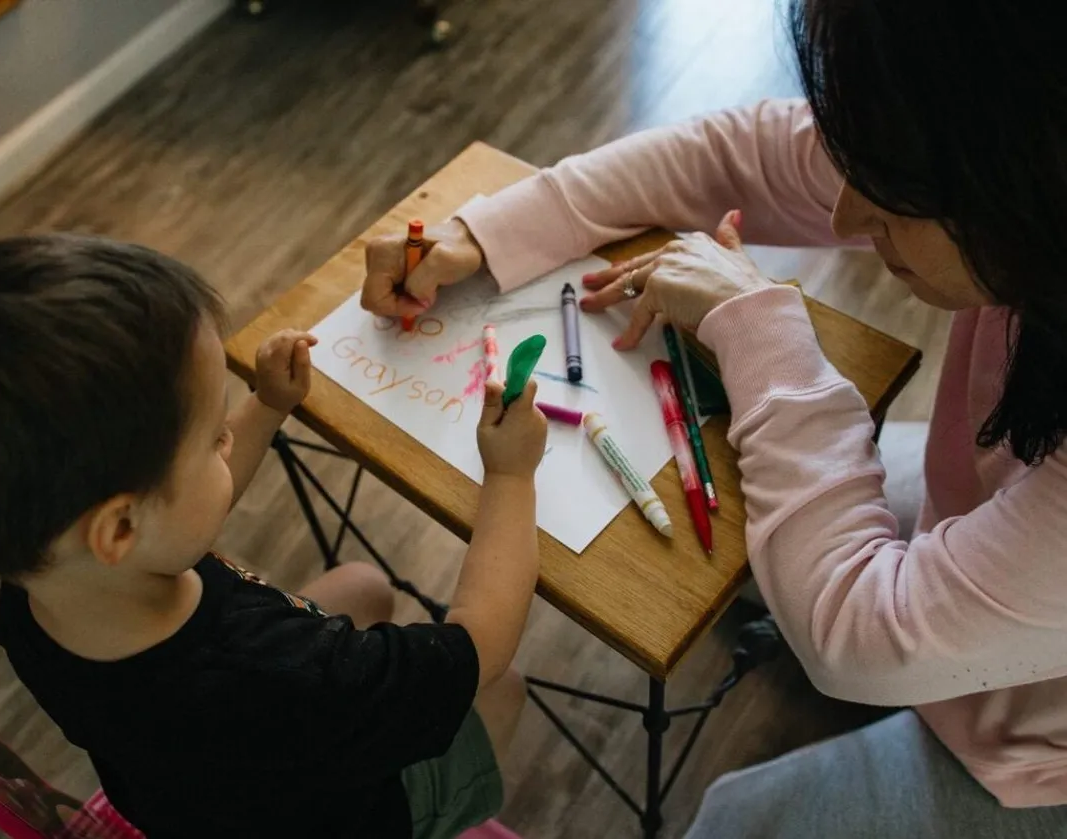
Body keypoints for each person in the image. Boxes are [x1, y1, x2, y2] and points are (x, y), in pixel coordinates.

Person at [358, 0, 1067, 836]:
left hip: (1038, 751)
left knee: (735, 816)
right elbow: (738, 155)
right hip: (996, 513)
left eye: (889, 198)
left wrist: (761, 330)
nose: (844, 218)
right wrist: (481, 234)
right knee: (749, 545)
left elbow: (858, 636)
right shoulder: (1004, 156)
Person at [0, 234, 548, 839]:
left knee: (363, 585)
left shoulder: (36, 589)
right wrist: (511, 474)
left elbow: (174, 519)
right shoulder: (283, 678)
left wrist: (267, 405)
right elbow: (480, 646)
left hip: (194, 804)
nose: (228, 438)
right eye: (213, 437)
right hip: (350, 815)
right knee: (504, 687)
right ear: (119, 527)